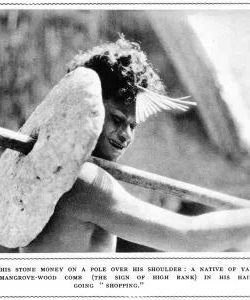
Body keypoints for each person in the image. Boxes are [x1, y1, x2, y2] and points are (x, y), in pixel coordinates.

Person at [21, 36, 250, 252]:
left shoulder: (57, 167)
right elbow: (188, 236)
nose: (126, 136)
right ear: (84, 110)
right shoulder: (82, 179)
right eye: (118, 120)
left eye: (133, 125)